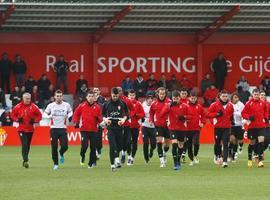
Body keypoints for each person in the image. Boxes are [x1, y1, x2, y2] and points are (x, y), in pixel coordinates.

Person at [43, 90, 73, 170]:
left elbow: (71, 112)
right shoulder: (51, 105)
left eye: (60, 96)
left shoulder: (66, 105)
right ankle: (56, 164)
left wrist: (68, 116)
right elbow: (45, 114)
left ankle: (61, 153)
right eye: (57, 96)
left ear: (62, 97)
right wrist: (49, 117)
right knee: (54, 147)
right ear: (54, 97)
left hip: (63, 128)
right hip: (53, 129)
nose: (59, 97)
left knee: (65, 146)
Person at [11, 93, 42, 168]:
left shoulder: (34, 107)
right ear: (23, 98)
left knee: (27, 145)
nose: (28, 100)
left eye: (29, 98)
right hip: (21, 129)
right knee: (24, 144)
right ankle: (25, 159)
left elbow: (39, 115)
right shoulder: (18, 106)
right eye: (26, 98)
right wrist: (17, 119)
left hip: (30, 129)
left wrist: (35, 120)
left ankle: (25, 159)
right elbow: (12, 115)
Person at [73, 91, 102, 168]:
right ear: (86, 97)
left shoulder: (98, 107)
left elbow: (100, 118)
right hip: (84, 130)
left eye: (92, 96)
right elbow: (76, 114)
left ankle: (90, 163)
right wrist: (76, 122)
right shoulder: (81, 106)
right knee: (84, 146)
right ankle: (82, 156)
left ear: (94, 97)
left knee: (93, 148)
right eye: (89, 96)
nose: (90, 98)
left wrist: (100, 120)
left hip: (94, 130)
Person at [102, 87, 129, 172]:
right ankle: (113, 164)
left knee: (120, 146)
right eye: (113, 96)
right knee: (112, 145)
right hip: (110, 128)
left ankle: (117, 157)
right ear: (111, 94)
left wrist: (123, 120)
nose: (115, 97)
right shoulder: (106, 104)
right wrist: (105, 120)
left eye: (116, 96)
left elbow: (127, 114)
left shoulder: (122, 103)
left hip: (120, 128)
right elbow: (102, 114)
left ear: (119, 95)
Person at [242, 88, 268, 168]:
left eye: (257, 95)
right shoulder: (248, 103)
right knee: (252, 143)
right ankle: (249, 159)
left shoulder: (263, 103)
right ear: (252, 95)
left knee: (261, 141)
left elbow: (265, 112)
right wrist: (249, 117)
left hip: (261, 126)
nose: (256, 96)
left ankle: (260, 161)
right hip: (252, 127)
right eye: (255, 94)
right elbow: (243, 113)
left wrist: (266, 117)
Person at [208, 90, 234, 168]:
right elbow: (208, 114)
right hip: (218, 128)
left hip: (226, 127)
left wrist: (231, 120)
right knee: (217, 143)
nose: (225, 98)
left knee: (225, 144)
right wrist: (216, 114)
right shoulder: (214, 104)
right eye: (223, 96)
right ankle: (217, 155)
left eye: (226, 96)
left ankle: (225, 161)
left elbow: (231, 114)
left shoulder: (230, 105)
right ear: (219, 96)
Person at [149, 87, 171, 168]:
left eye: (163, 94)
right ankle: (162, 161)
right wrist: (151, 120)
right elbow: (151, 113)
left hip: (168, 126)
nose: (162, 95)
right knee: (159, 142)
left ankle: (164, 153)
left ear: (165, 94)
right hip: (158, 125)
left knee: (167, 145)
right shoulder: (154, 103)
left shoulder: (169, 102)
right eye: (160, 94)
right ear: (157, 94)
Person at [167, 90, 189, 170]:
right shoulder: (169, 106)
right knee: (174, 144)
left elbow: (190, 116)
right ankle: (175, 163)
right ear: (172, 98)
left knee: (181, 146)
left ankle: (178, 160)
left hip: (182, 129)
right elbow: (163, 113)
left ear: (179, 98)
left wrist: (184, 118)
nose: (175, 100)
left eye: (177, 98)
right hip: (172, 128)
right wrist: (168, 107)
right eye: (174, 98)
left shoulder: (185, 106)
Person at [186, 91, 206, 166]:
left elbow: (204, 115)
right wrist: (185, 119)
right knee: (189, 145)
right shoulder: (186, 106)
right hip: (187, 129)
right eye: (192, 98)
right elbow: (182, 115)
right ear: (189, 98)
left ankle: (195, 155)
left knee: (196, 143)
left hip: (196, 129)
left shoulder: (199, 106)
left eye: (194, 98)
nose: (193, 99)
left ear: (196, 98)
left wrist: (202, 123)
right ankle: (191, 159)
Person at [126, 90, 145, 165]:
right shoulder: (125, 104)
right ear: (128, 96)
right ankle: (128, 155)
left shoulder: (138, 104)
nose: (132, 97)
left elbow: (142, 114)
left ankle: (132, 157)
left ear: (135, 96)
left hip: (135, 126)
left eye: (133, 95)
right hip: (127, 126)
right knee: (127, 142)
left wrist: (137, 115)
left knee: (134, 142)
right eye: (130, 95)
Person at [228, 93, 245, 162]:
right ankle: (229, 154)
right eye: (235, 97)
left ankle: (234, 154)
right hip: (231, 125)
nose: (236, 99)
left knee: (237, 141)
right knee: (232, 139)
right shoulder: (229, 104)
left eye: (237, 97)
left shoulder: (241, 104)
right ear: (232, 98)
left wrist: (235, 113)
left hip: (239, 125)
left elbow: (243, 113)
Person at [141, 92, 156, 163]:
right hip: (145, 127)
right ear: (146, 99)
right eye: (148, 98)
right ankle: (146, 158)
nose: (150, 100)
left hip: (153, 127)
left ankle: (151, 150)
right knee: (145, 143)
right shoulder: (142, 105)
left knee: (153, 144)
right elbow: (139, 114)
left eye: (151, 98)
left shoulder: (155, 105)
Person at [93, 87, 106, 159]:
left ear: (99, 92)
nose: (95, 92)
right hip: (92, 123)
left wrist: (104, 121)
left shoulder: (102, 100)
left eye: (97, 90)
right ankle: (95, 152)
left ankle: (99, 149)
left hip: (100, 122)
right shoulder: (89, 100)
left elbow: (104, 110)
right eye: (94, 91)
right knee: (93, 138)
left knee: (99, 140)